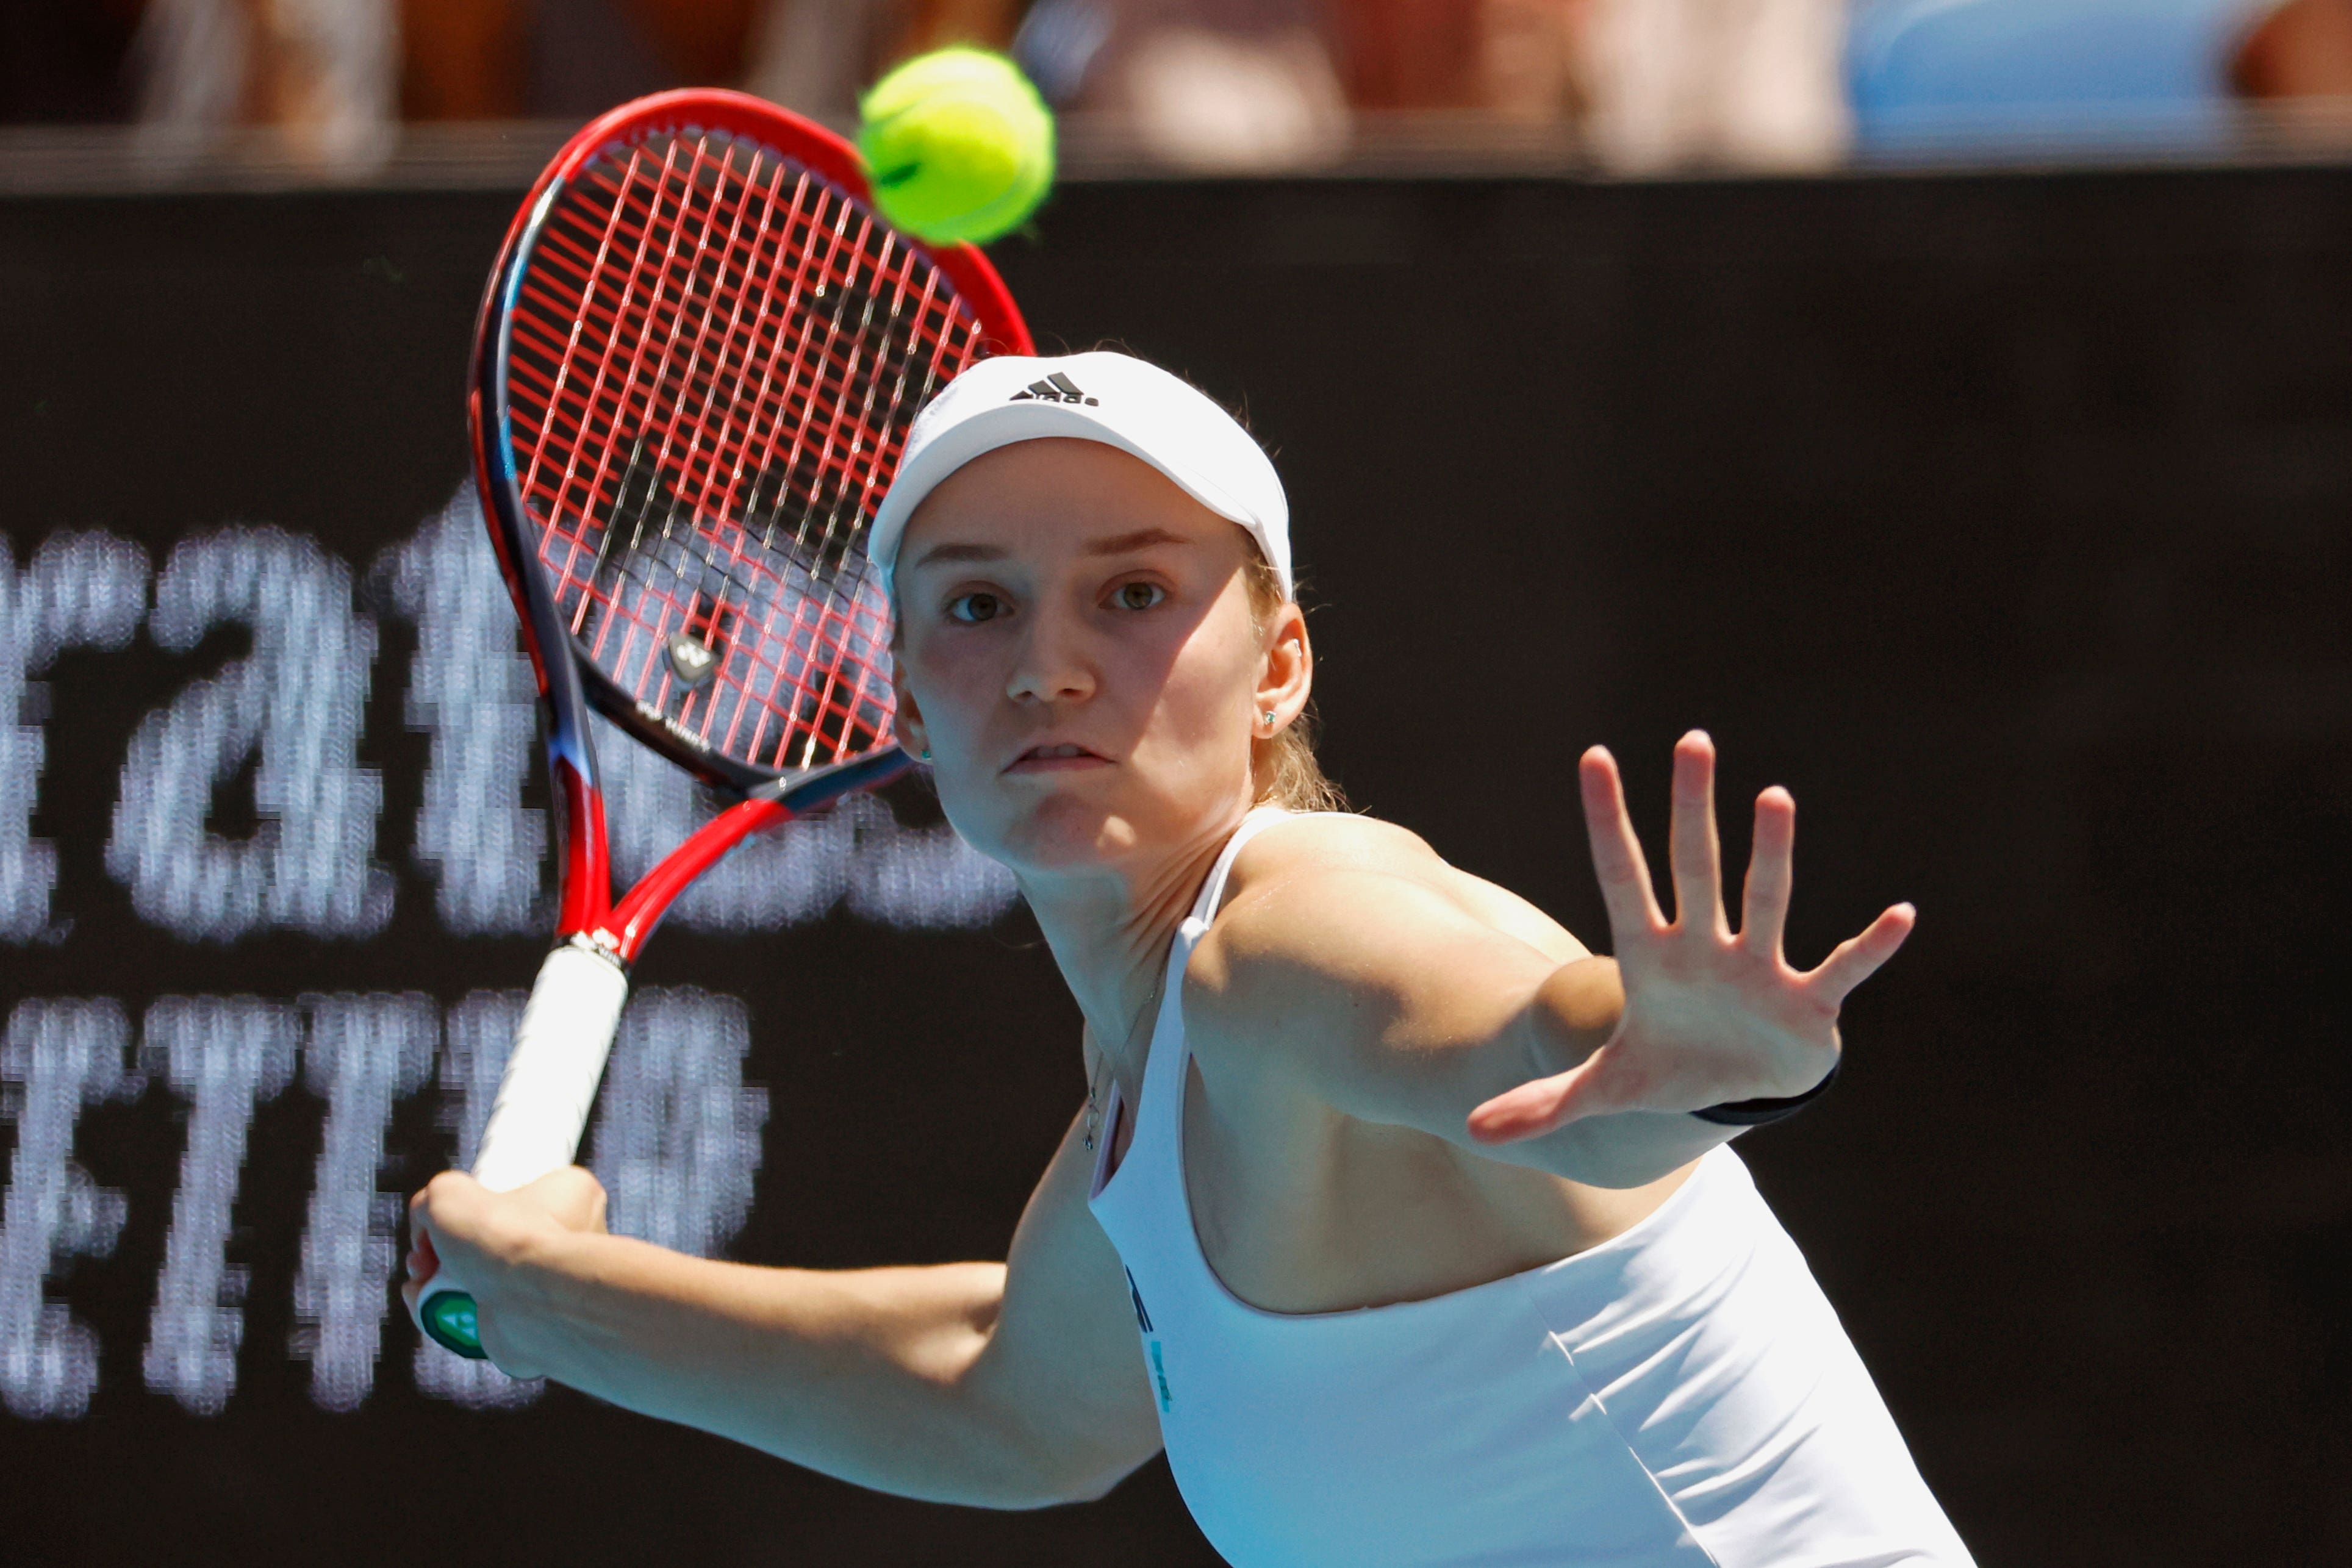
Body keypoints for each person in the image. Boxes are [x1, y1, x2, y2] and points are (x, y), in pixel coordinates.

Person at [406, 350, 1975, 1566]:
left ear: (1278, 661)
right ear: (897, 698)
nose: (1045, 665)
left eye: (1135, 592)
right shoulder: (1146, 1105)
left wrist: (1668, 1062)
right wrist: (555, 1300)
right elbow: (1009, 1395)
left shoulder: (1281, 941)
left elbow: (1516, 1039)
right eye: (975, 603)